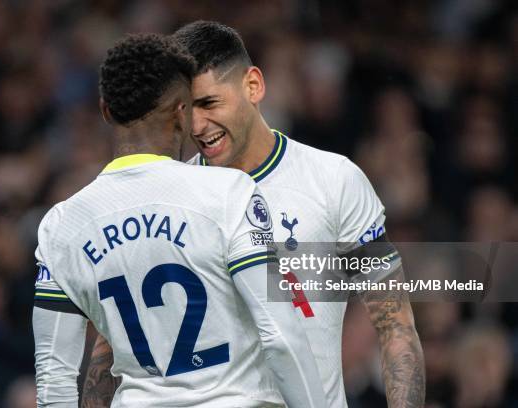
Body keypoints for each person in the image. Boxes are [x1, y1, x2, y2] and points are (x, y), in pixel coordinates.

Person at [83, 22, 425, 408]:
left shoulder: (334, 180)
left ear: (253, 86)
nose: (197, 126)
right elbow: (111, 348)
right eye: (185, 109)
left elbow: (395, 325)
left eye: (210, 103)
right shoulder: (163, 204)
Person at [33, 33, 327, 407]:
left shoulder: (63, 225)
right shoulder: (228, 194)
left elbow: (54, 378)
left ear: (106, 110)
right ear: (181, 112)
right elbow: (281, 336)